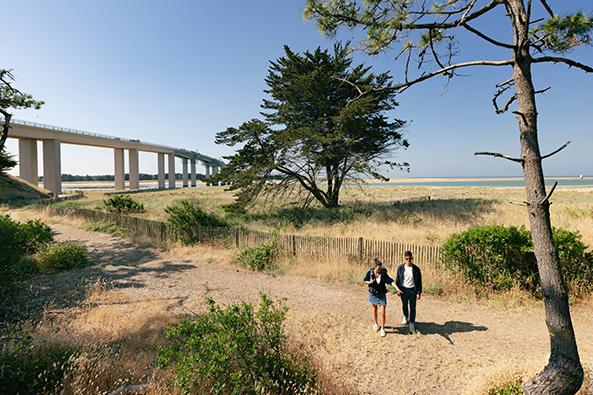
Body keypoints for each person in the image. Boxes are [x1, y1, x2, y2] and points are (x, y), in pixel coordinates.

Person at [363, 258, 394, 337]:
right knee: (375, 309)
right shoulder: (370, 272)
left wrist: (396, 287)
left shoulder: (383, 272)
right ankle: (376, 324)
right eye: (378, 269)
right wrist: (369, 282)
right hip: (373, 294)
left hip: (382, 294)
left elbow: (389, 280)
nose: (379, 270)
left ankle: (383, 329)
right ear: (374, 267)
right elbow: (365, 280)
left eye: (380, 268)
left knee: (383, 312)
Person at [395, 250, 423, 334]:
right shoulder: (400, 268)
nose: (408, 260)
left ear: (412, 258)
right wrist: (398, 289)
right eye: (407, 258)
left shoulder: (416, 269)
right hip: (403, 290)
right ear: (404, 258)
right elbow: (398, 279)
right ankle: (405, 316)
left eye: (410, 258)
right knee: (404, 305)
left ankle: (411, 323)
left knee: (413, 308)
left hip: (413, 290)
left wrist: (419, 292)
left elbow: (419, 281)